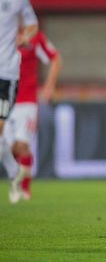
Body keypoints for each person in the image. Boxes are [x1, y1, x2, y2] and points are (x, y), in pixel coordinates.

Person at [4, 31, 61, 201]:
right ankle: (16, 182)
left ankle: (25, 187)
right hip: (6, 99)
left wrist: (49, 87)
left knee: (22, 144)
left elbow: (55, 59)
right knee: (8, 148)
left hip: (27, 101)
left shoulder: (35, 38)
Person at [0, 0, 38, 203]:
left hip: (5, 74)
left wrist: (23, 37)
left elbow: (32, 25)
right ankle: (14, 170)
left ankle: (15, 173)